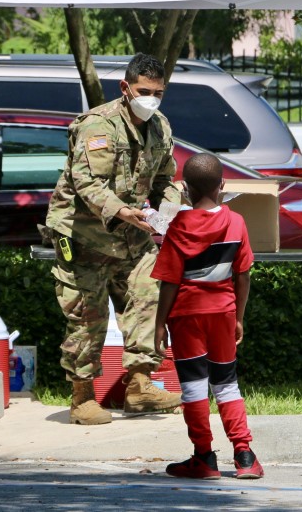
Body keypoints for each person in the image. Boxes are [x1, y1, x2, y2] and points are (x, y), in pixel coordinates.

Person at [45, 53, 182, 425]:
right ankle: (83, 397)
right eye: (144, 91)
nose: (150, 99)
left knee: (149, 296)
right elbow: (85, 182)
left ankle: (139, 385)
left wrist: (168, 207)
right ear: (125, 88)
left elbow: (165, 180)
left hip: (132, 236)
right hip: (84, 235)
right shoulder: (97, 126)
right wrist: (123, 211)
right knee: (87, 315)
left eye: (158, 93)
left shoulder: (160, 127)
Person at [152, 153, 264, 480]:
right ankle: (244, 456)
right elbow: (243, 275)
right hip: (224, 314)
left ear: (184, 189)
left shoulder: (178, 226)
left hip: (186, 317)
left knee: (194, 388)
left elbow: (170, 281)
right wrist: (238, 317)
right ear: (223, 186)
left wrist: (160, 324)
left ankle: (204, 457)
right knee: (227, 384)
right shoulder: (236, 222)